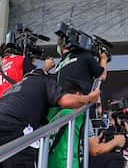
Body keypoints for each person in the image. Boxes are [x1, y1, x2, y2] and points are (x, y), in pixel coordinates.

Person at [0, 63, 101, 167]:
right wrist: (90, 98)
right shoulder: (43, 81)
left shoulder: (17, 87)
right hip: (12, 124)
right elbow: (66, 100)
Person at [49, 34, 108, 168]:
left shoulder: (59, 65)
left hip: (60, 112)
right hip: (78, 110)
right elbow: (101, 76)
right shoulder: (84, 56)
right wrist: (103, 58)